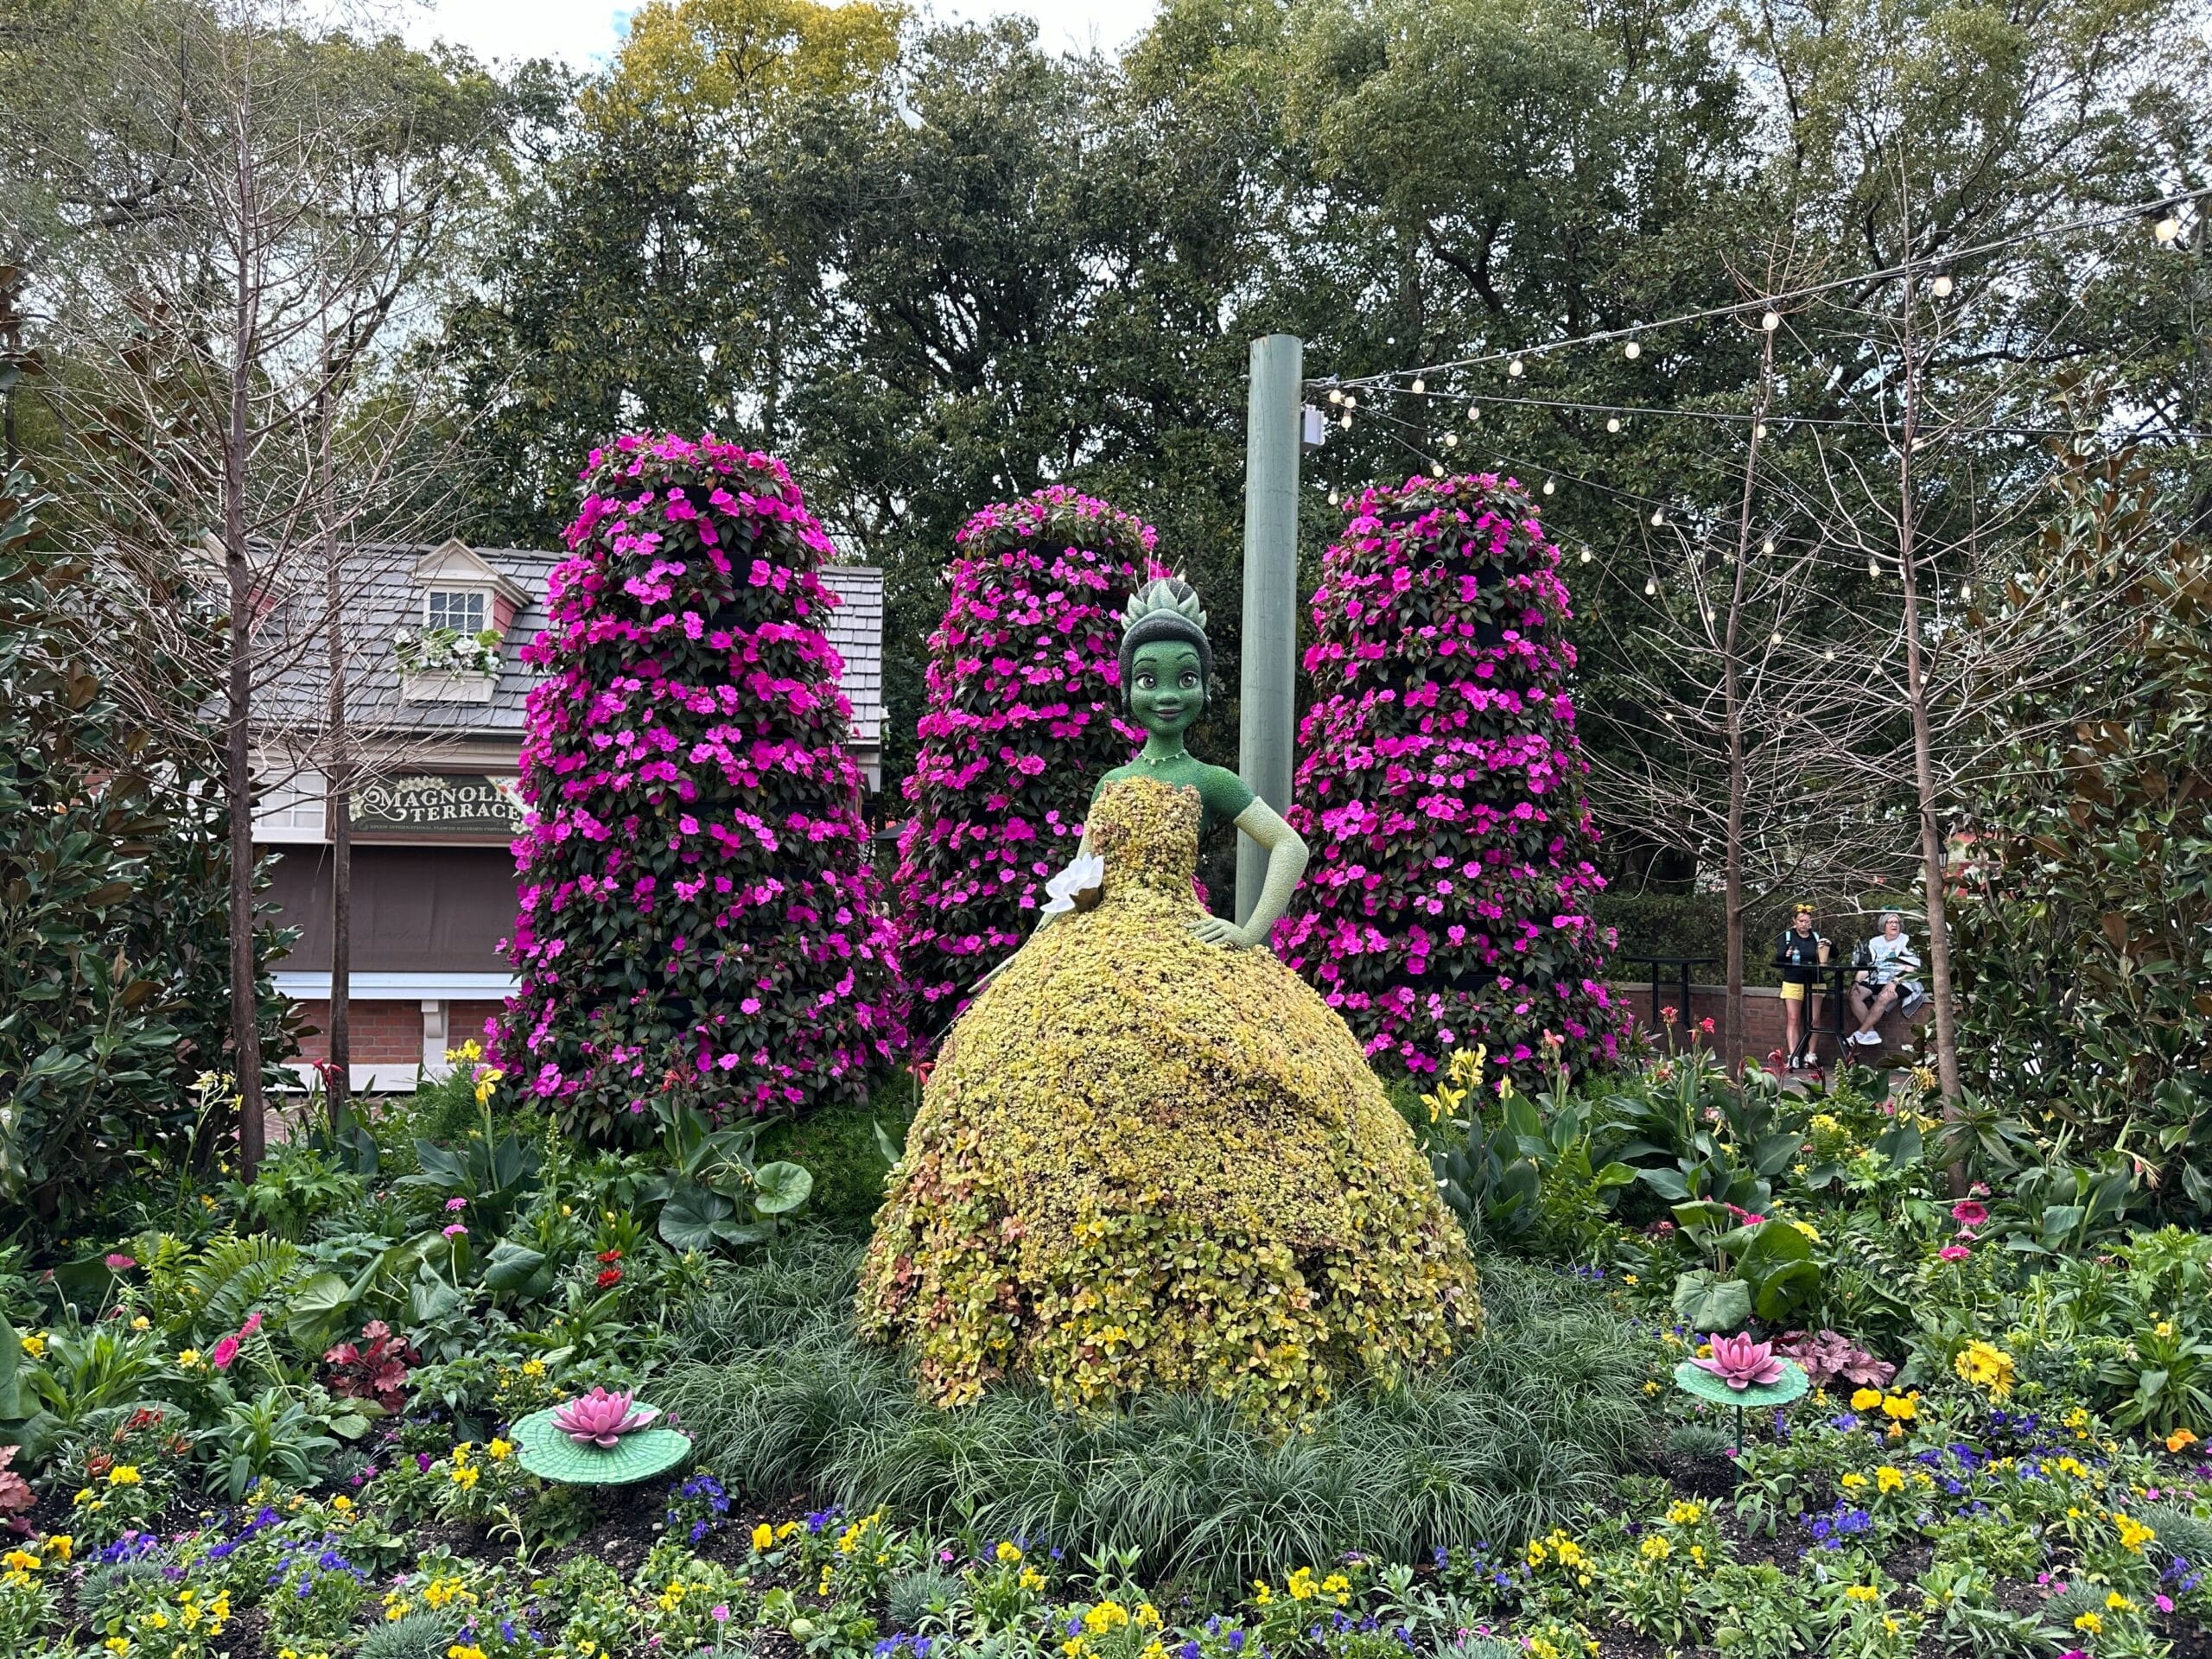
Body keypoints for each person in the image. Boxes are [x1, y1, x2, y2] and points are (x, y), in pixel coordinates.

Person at [859, 578, 1478, 1418]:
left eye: (1181, 677)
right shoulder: (1112, 784)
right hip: (1092, 942)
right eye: (1148, 677)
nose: (1165, 693)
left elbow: (1288, 845)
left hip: (1185, 939)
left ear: (1203, 685)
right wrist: (1029, 949)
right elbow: (1086, 875)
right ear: (1126, 686)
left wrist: (1251, 930)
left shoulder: (1211, 782)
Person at [1847, 911, 1923, 1047]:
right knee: (1854, 994)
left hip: (1902, 980)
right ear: (1884, 925)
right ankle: (1870, 1032)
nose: (1894, 925)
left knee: (1884, 996)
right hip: (1877, 978)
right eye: (1891, 922)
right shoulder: (1874, 942)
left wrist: (1894, 982)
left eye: (1897, 922)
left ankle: (1859, 1034)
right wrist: (1856, 982)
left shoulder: (1907, 941)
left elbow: (1912, 968)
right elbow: (1866, 967)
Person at [1772, 903, 1830, 1071]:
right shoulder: (1788, 937)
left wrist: (1829, 945)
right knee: (1793, 1018)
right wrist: (1787, 954)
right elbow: (1779, 956)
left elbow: (1832, 954)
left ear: (1811, 923)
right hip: (1793, 980)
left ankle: (1811, 1055)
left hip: (1815, 980)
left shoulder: (1817, 937)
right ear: (1794, 922)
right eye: (1801, 921)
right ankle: (1793, 1055)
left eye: (1807, 921)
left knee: (1815, 1019)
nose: (1804, 924)